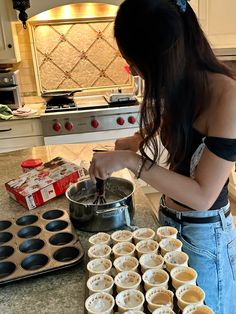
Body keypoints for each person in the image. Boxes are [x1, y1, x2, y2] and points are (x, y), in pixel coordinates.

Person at [88, 0, 236, 312]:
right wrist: (136, 140)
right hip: (170, 222)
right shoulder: (182, 82)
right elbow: (185, 138)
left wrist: (133, 162)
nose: (137, 71)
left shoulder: (228, 97)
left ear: (159, 58)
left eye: (136, 63)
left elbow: (202, 195)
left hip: (204, 236)